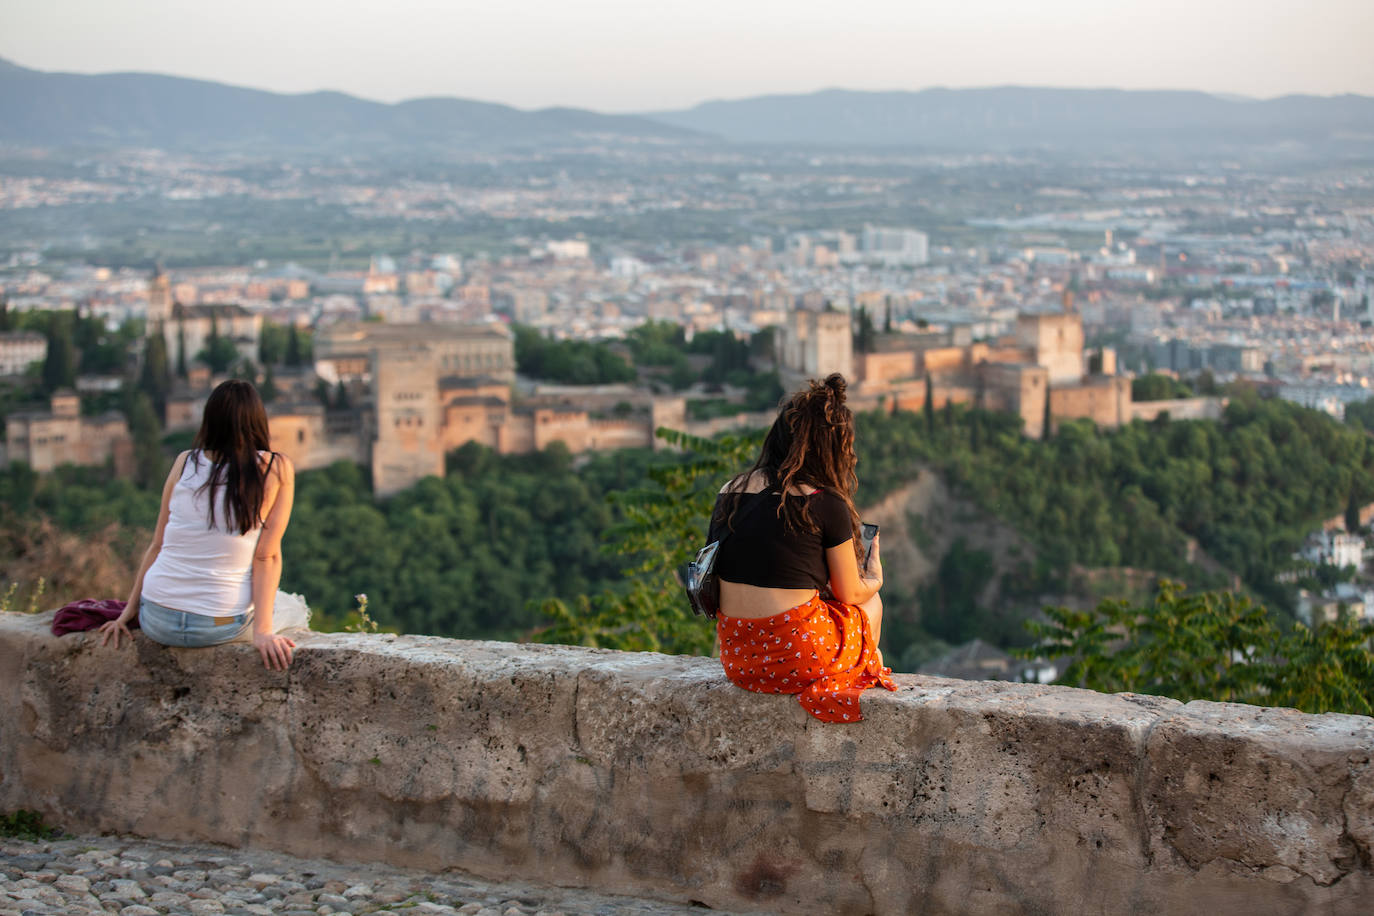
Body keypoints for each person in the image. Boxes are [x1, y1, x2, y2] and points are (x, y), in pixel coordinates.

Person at [709, 373, 895, 722]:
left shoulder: (729, 491)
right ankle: (857, 666)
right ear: (833, 449)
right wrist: (875, 576)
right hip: (799, 657)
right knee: (871, 603)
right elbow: (850, 592)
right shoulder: (824, 504)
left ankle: (856, 663)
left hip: (738, 660)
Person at [100, 379, 298, 670]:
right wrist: (263, 632)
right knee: (293, 607)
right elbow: (266, 556)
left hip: (155, 618)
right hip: (216, 624)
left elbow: (157, 545)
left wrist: (128, 612)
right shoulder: (274, 468)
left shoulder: (184, 462)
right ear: (258, 420)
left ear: (210, 420)